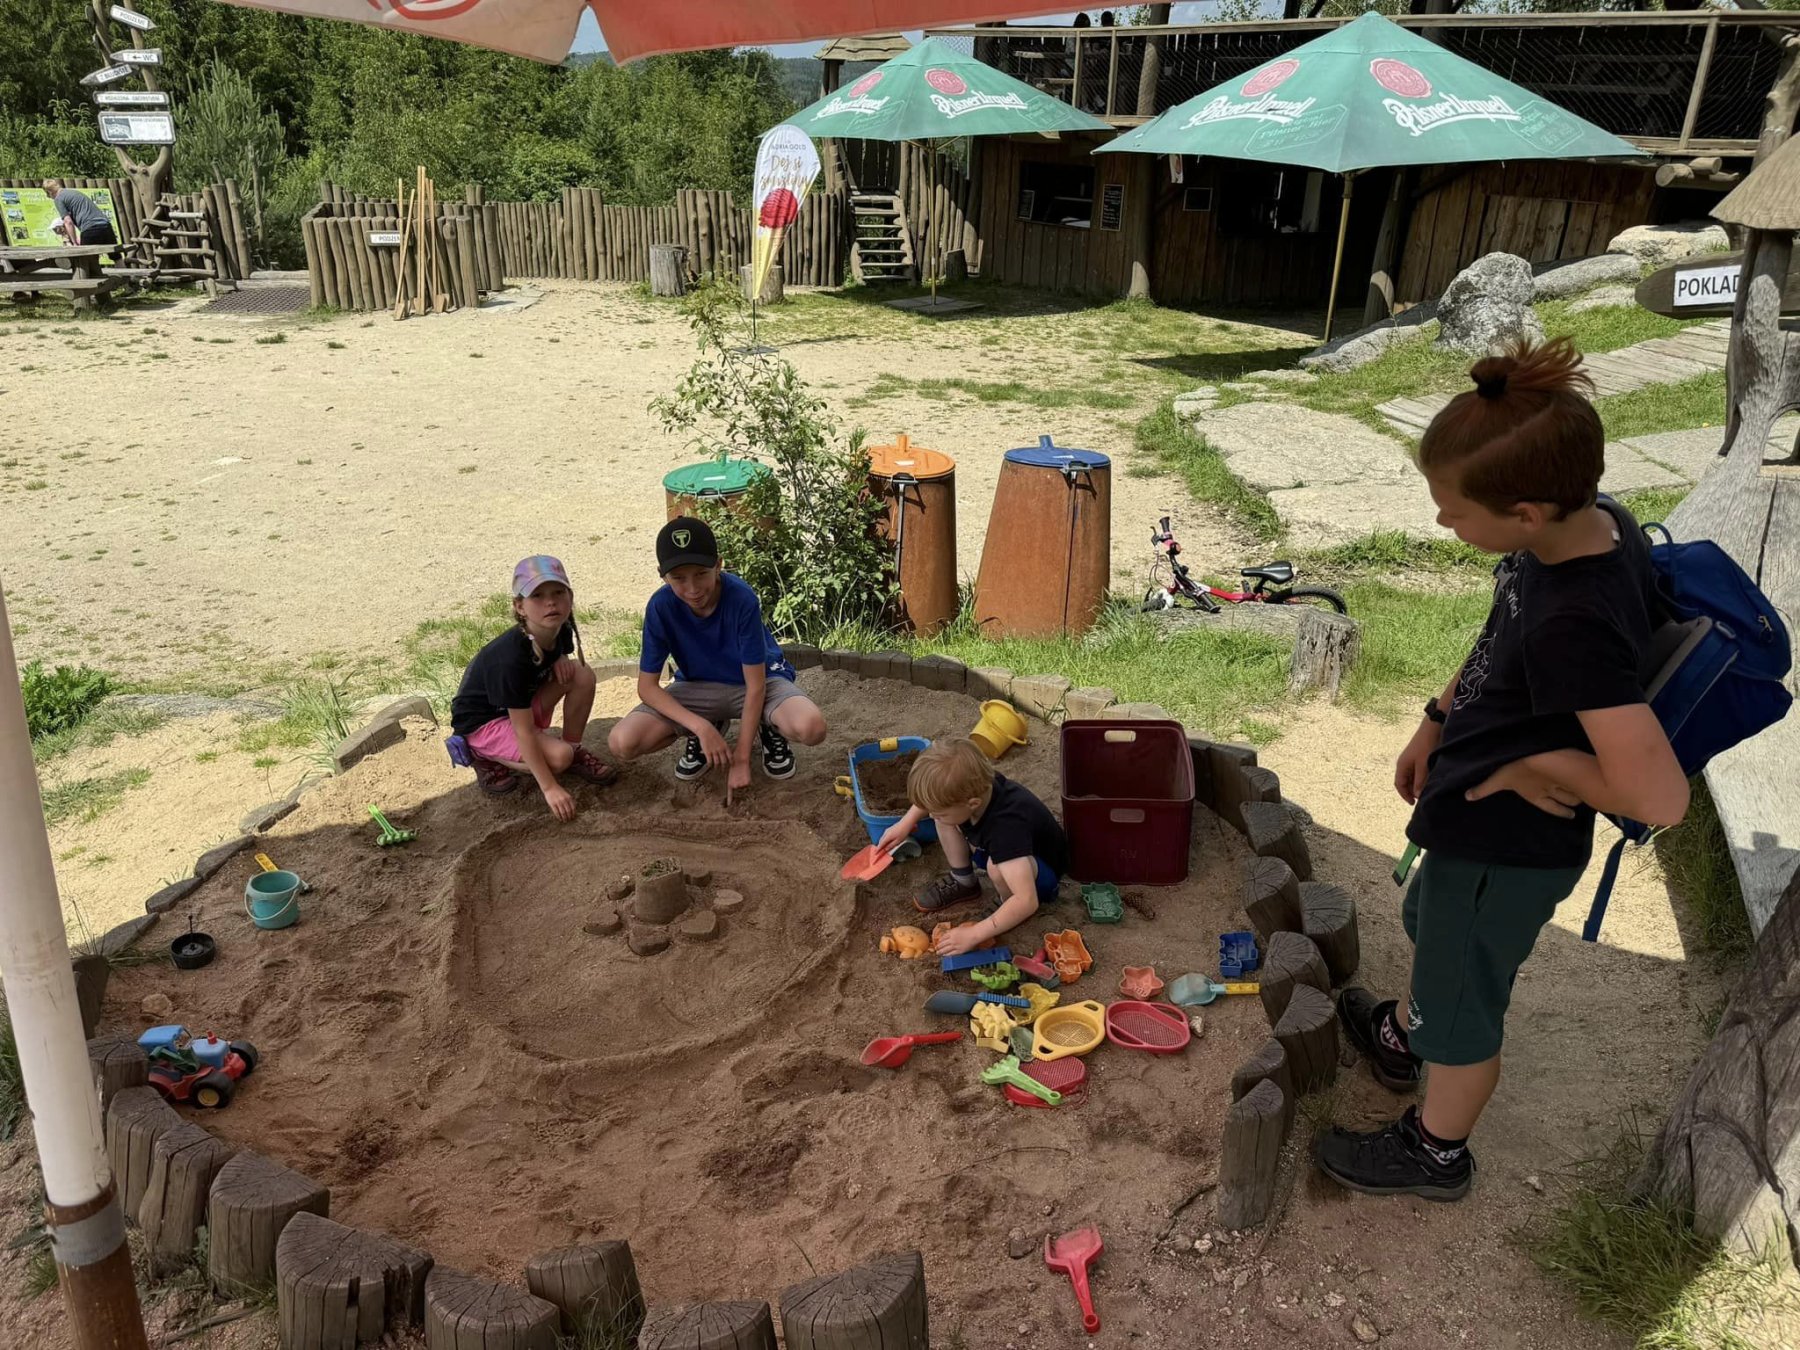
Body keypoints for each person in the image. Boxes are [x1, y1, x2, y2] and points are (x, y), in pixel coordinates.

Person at [1314, 337, 1689, 1202]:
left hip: (1506, 846)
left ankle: (1435, 1150)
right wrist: (1437, 718)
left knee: (1464, 1004)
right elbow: (1498, 635)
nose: (1443, 525)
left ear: (1524, 512)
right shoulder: (1583, 526)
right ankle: (1407, 1036)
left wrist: (1536, 760)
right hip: (1475, 818)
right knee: (1431, 924)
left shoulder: (1577, 620)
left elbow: (1659, 797)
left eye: (1453, 512)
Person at [607, 516, 826, 791]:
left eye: (701, 573)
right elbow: (647, 687)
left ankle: (768, 726)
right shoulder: (660, 607)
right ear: (663, 576)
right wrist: (700, 726)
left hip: (758, 682)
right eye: (678, 578)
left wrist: (741, 759)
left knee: (812, 728)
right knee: (622, 742)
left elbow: (756, 686)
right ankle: (709, 725)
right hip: (697, 686)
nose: (692, 589)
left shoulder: (742, 598)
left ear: (718, 565)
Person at [449, 556, 617, 820]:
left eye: (558, 592)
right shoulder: (510, 658)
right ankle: (480, 752)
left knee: (581, 674)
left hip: (519, 706)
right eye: (537, 595)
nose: (551, 602)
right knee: (559, 759)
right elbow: (523, 730)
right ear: (520, 607)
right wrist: (549, 787)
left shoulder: (558, 625)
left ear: (570, 597)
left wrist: (560, 657)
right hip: (484, 722)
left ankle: (573, 748)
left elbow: (563, 653)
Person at [877, 738, 1070, 957]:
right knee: (944, 818)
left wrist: (975, 934)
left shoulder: (1006, 829)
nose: (929, 814)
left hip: (1039, 880)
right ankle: (963, 880)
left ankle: (1005, 905)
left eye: (937, 810)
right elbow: (935, 801)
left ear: (973, 803)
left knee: (996, 868)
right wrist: (905, 823)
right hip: (1007, 854)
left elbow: (1027, 900)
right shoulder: (975, 786)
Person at [42, 179, 117, 250]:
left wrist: (74, 242)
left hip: (90, 229)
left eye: (47, 193)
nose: (48, 196)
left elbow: (68, 221)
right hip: (106, 226)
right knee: (116, 256)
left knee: (85, 257)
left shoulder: (58, 199)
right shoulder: (73, 192)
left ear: (50, 192)